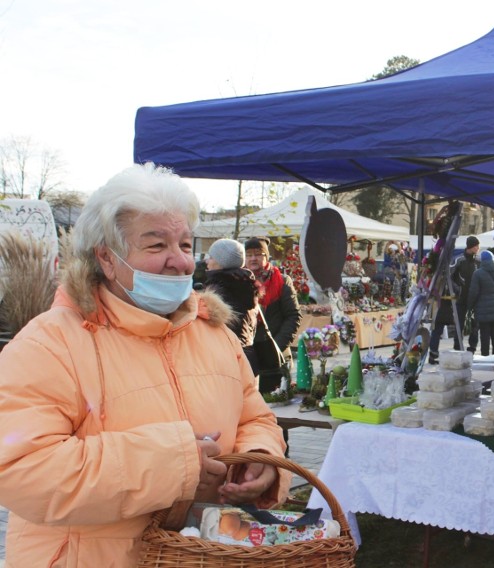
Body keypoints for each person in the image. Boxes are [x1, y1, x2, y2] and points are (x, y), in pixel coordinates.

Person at [0, 163, 289, 566]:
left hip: (201, 555)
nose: (179, 262)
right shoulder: (49, 343)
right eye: (156, 246)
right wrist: (174, 463)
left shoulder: (214, 334)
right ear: (106, 258)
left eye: (186, 246)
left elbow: (254, 418)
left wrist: (259, 459)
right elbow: (21, 470)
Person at [203, 238, 262, 375]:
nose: (207, 261)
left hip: (225, 362)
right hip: (247, 358)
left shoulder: (218, 290)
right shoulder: (246, 285)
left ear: (221, 262)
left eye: (211, 257)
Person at [244, 237, 302, 367]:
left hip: (277, 352)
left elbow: (293, 316)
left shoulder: (282, 281)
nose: (253, 258)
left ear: (266, 257)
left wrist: (276, 346)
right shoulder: (239, 281)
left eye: (258, 254)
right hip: (246, 354)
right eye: (249, 255)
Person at [467, 250, 494, 357]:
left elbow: (473, 293)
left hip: (482, 308)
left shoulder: (477, 274)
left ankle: (485, 356)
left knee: (484, 333)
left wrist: (469, 306)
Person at [451, 235, 480, 353]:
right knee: (459, 322)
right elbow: (450, 276)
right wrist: (458, 288)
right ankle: (457, 345)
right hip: (461, 297)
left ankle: (472, 347)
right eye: (476, 245)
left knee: (475, 324)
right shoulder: (459, 260)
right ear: (470, 246)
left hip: (475, 298)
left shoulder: (479, 261)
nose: (478, 248)